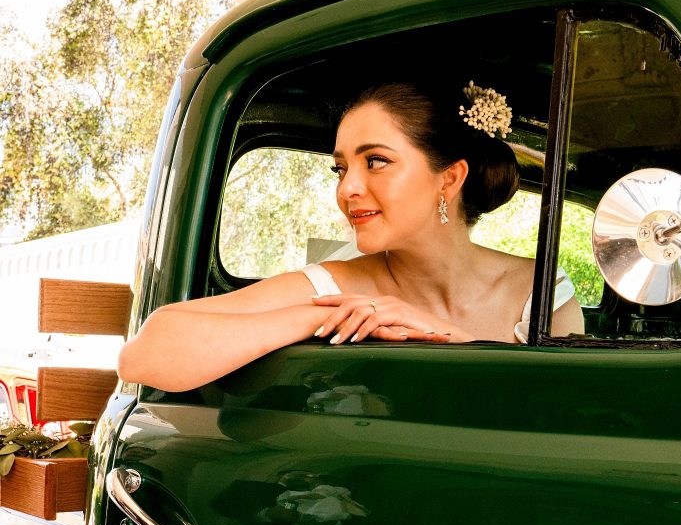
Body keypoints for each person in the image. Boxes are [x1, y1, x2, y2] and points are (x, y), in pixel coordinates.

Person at [118, 81, 584, 392]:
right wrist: (315, 319)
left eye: (375, 161)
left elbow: (566, 423)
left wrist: (447, 339)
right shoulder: (332, 288)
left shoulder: (541, 294)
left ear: (450, 177)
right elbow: (145, 354)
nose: (348, 189)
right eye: (340, 168)